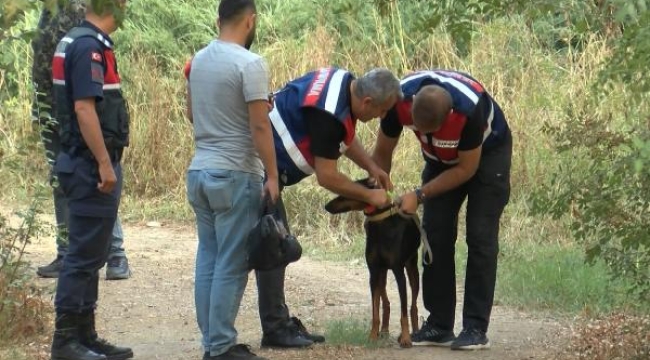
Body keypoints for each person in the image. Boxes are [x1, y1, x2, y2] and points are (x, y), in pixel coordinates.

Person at [256, 66, 402, 348]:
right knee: (274, 244)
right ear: (367, 102)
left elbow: (345, 137)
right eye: (382, 111)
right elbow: (328, 176)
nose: (382, 118)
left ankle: (277, 323)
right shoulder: (329, 114)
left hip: (266, 169)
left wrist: (372, 166)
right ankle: (273, 329)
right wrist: (370, 197)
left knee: (272, 244)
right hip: (258, 171)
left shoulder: (343, 82)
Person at [371, 70, 512, 350]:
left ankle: (474, 327)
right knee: (434, 235)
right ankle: (439, 324)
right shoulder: (397, 99)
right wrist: (380, 192)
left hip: (486, 157)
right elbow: (383, 151)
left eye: (428, 131)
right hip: (439, 160)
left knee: (480, 237)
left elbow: (466, 169)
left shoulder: (469, 110)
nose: (420, 135)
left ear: (447, 117)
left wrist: (420, 194)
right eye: (417, 129)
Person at [183, 0, 279, 359]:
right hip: (236, 173)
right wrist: (272, 175)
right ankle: (221, 346)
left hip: (200, 172)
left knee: (208, 255)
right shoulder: (250, 64)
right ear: (251, 20)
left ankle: (212, 340)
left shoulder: (198, 60)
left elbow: (193, 114)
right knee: (232, 261)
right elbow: (258, 126)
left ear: (217, 19)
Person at [49, 1, 133, 359]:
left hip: (81, 164)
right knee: (82, 257)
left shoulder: (80, 40)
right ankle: (66, 341)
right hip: (87, 167)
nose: (127, 8)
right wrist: (104, 163)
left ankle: (85, 335)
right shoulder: (87, 46)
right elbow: (84, 108)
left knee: (92, 255)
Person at [31, 0, 131, 281]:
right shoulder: (47, 9)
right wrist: (38, 109)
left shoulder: (83, 9)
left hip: (79, 109)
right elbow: (40, 59)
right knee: (63, 182)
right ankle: (66, 251)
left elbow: (91, 60)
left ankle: (115, 253)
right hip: (52, 109)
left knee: (98, 181)